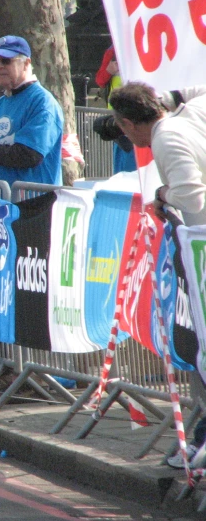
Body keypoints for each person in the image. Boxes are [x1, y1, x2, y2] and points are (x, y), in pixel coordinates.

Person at [108, 82, 206, 468]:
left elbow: (192, 198)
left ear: (130, 124)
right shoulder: (192, 113)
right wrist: (178, 94)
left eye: (121, 127)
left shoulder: (166, 138)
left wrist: (163, 197)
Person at [0, 35, 63, 186]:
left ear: (27, 63)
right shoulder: (1, 103)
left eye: (6, 60)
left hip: (34, 202)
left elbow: (30, 155)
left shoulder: (42, 102)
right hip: (2, 200)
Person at [93, 46, 136, 174]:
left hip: (139, 115)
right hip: (117, 117)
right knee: (124, 166)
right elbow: (100, 80)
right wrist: (109, 71)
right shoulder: (113, 51)